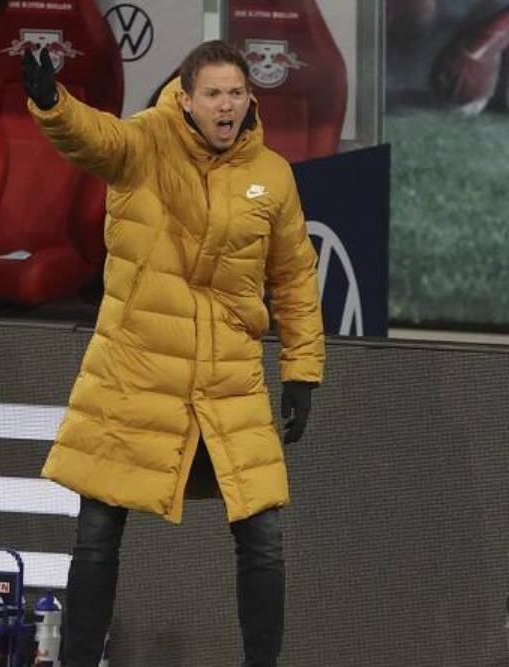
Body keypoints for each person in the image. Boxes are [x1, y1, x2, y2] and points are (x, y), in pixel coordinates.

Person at [23, 41, 325, 666]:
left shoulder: (272, 175)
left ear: (250, 99)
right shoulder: (143, 146)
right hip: (132, 372)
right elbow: (91, 139)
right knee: (97, 537)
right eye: (212, 93)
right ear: (185, 99)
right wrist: (52, 102)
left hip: (228, 382)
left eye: (236, 94)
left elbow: (295, 279)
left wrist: (302, 372)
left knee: (264, 538)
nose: (226, 105)